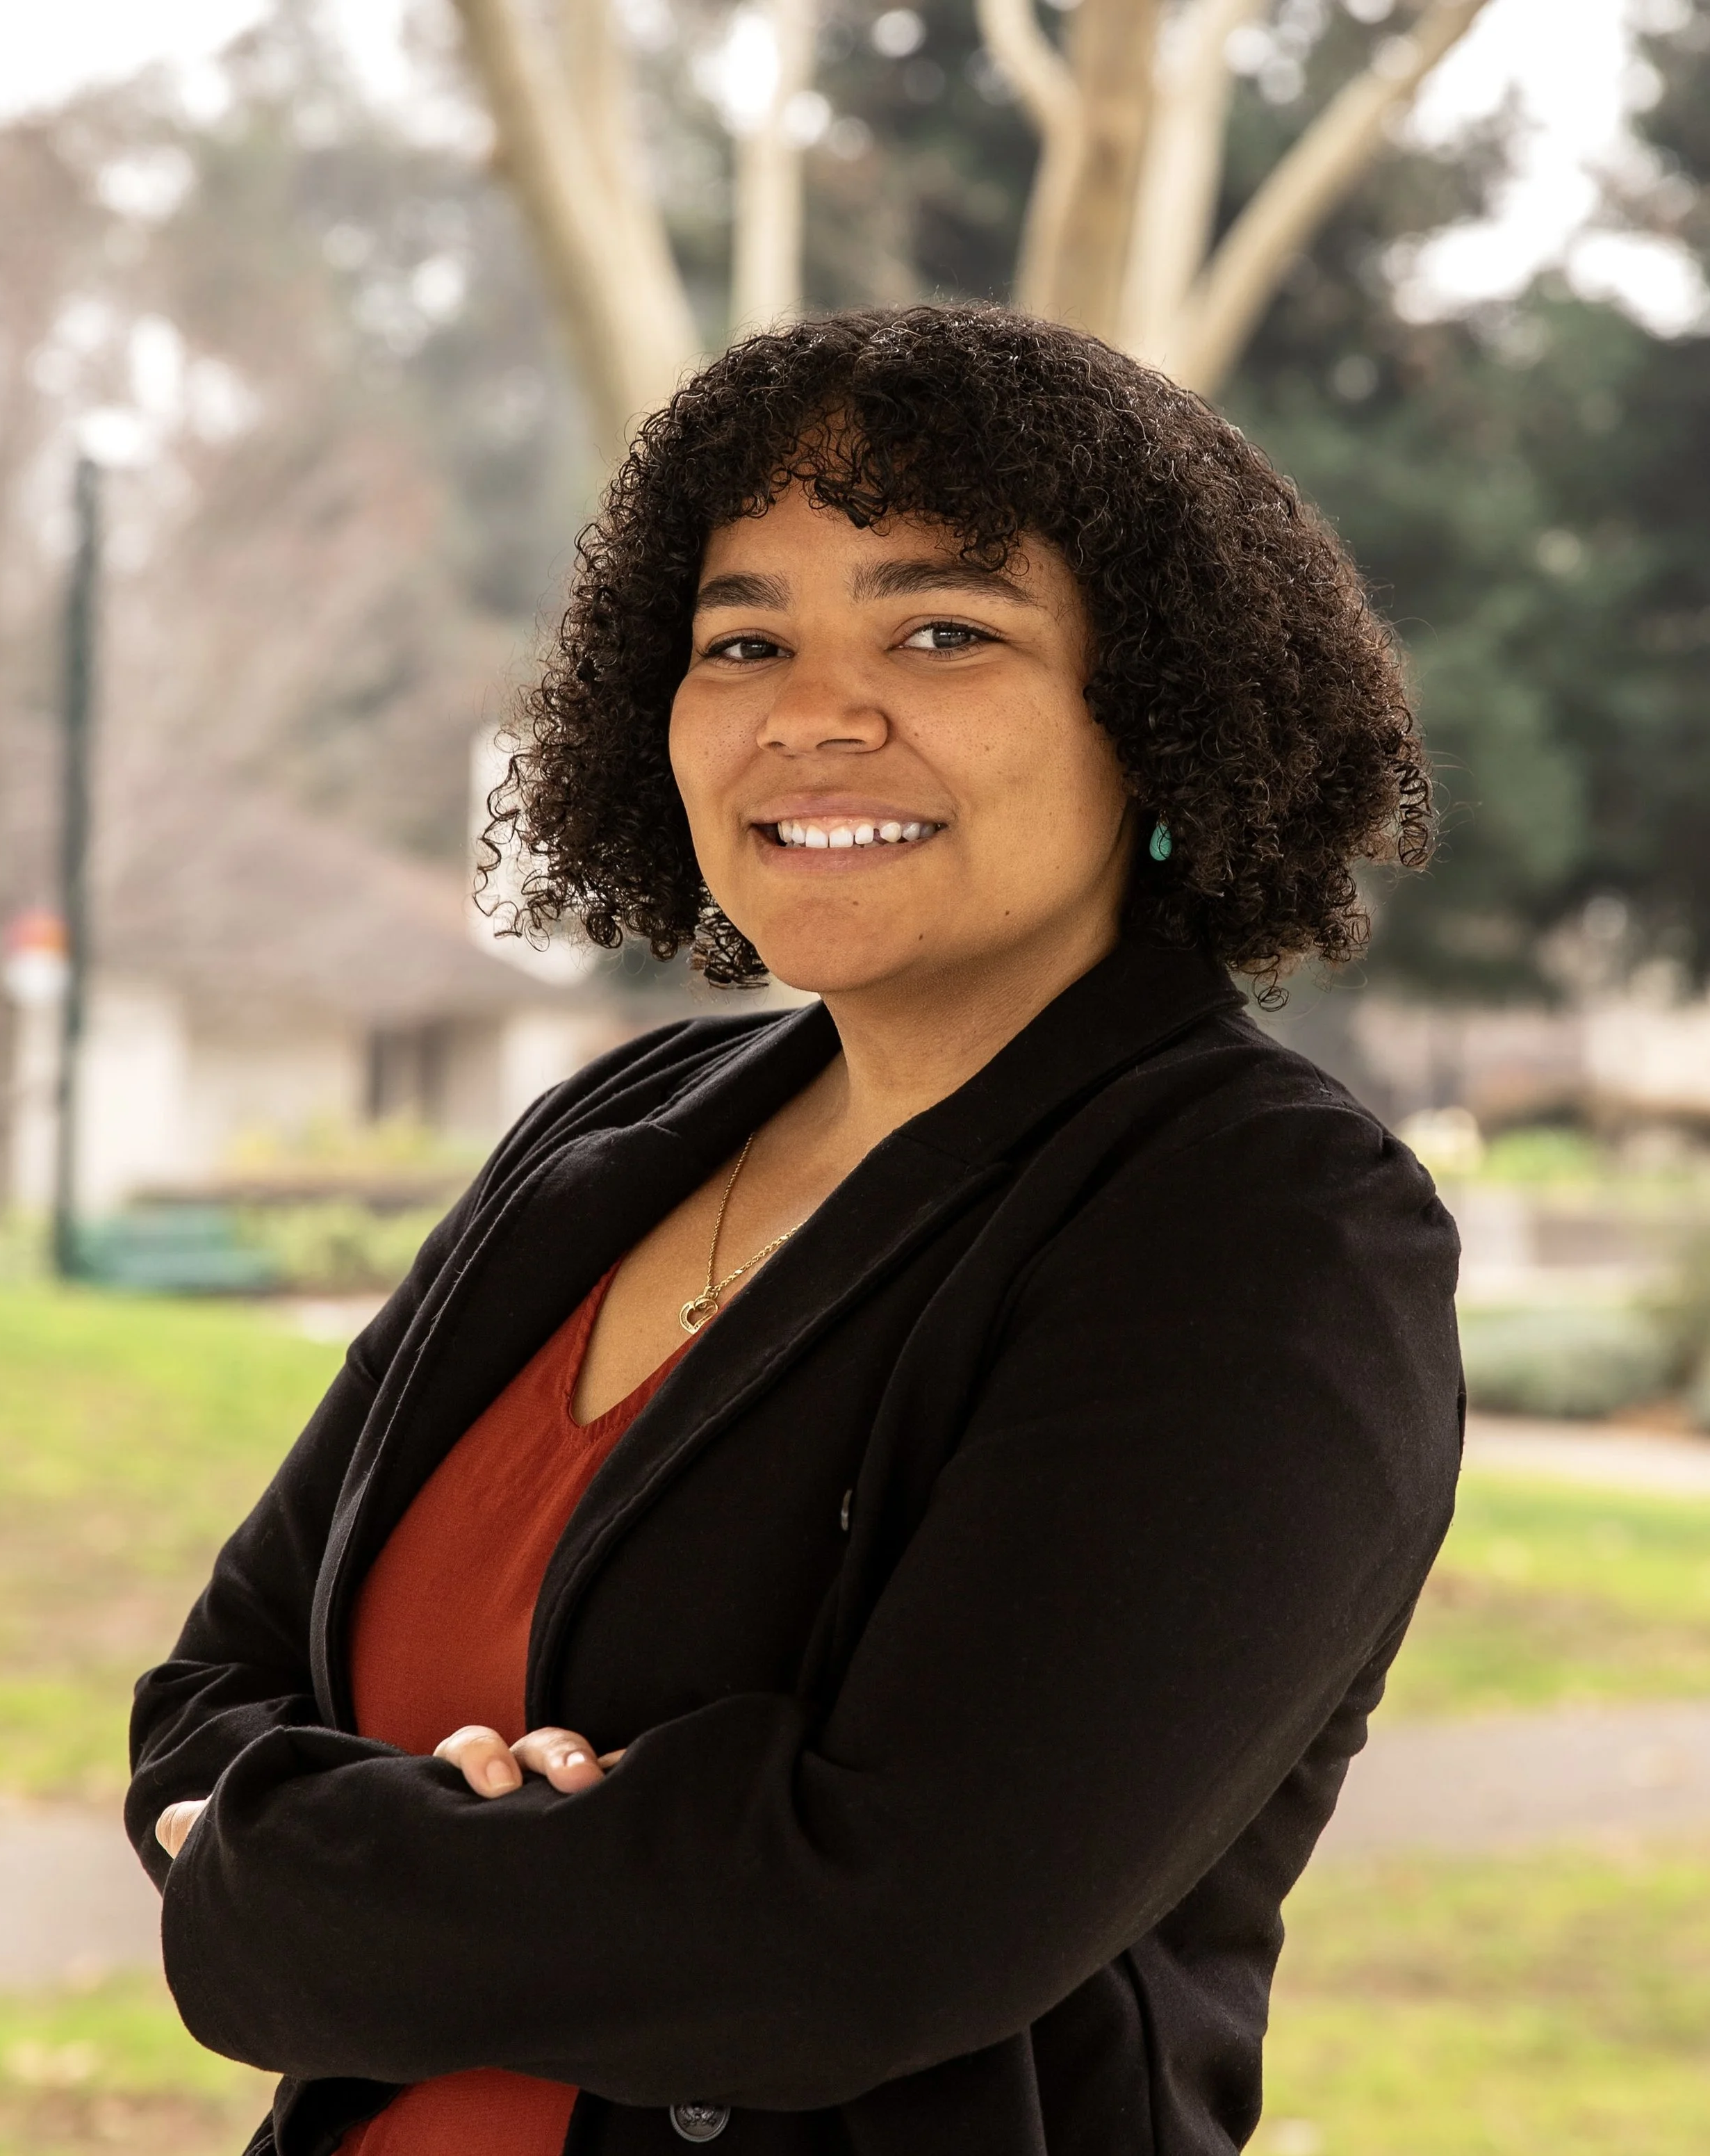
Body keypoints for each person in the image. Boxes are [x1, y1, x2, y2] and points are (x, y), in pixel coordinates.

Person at [128, 305, 1461, 2156]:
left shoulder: (1261, 1221)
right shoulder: (606, 1136)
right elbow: (208, 1698)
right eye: (744, 640)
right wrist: (547, 1843)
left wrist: (296, 1866)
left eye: (944, 631)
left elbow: (881, 1926)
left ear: (1154, 716)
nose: (812, 715)